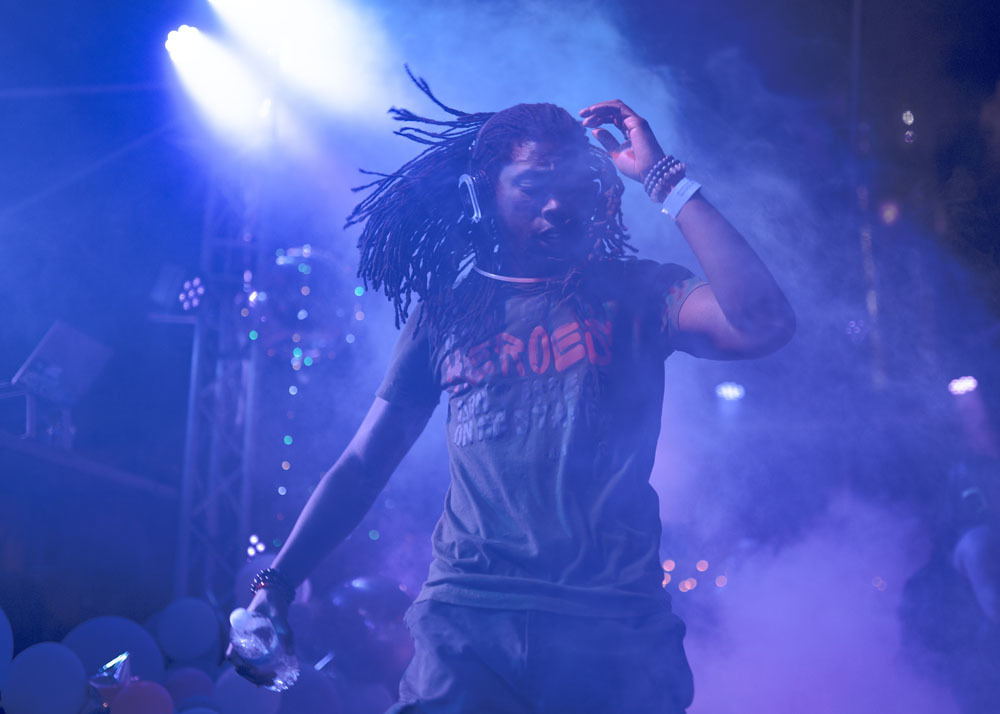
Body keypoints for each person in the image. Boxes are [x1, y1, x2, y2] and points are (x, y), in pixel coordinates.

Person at [229, 75, 796, 713]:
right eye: (531, 188)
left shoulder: (640, 291)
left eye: (573, 187)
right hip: (468, 622)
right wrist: (276, 584)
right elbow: (363, 465)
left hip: (612, 628)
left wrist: (664, 180)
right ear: (484, 195)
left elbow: (764, 324)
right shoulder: (446, 312)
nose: (556, 206)